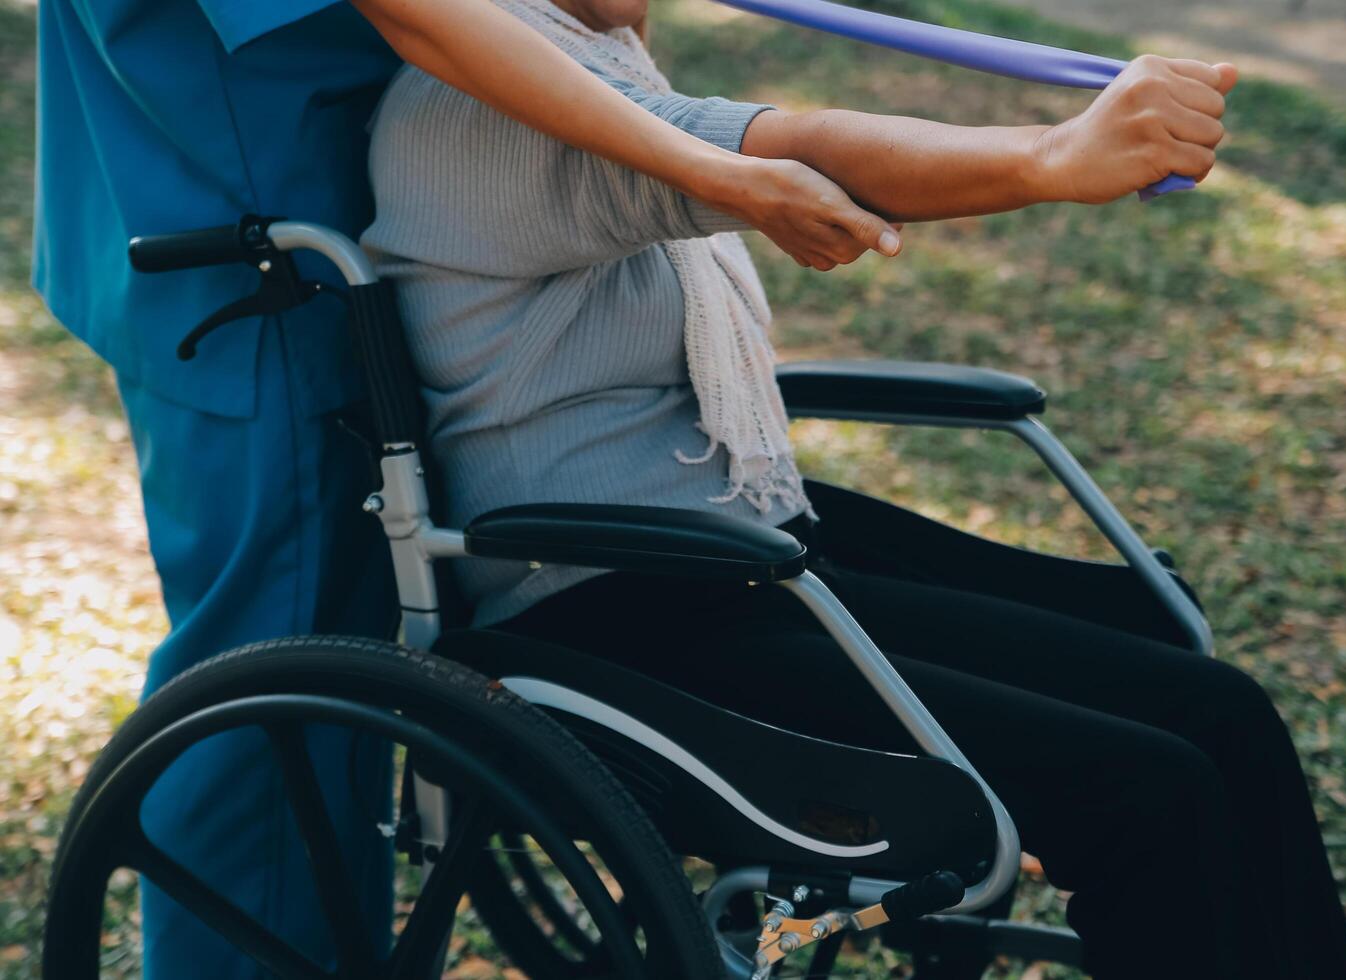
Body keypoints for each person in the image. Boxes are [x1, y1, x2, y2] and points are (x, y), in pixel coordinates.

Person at [360, 0, 1346, 976]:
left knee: (1221, 711)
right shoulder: (491, 107)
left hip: (735, 550)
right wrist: (1050, 157)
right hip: (619, 607)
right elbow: (798, 146)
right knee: (1147, 789)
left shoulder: (595, 61)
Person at [32, 0, 902, 973]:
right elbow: (422, 12)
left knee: (338, 682)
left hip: (323, 222)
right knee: (282, 685)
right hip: (261, 263)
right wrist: (707, 168)